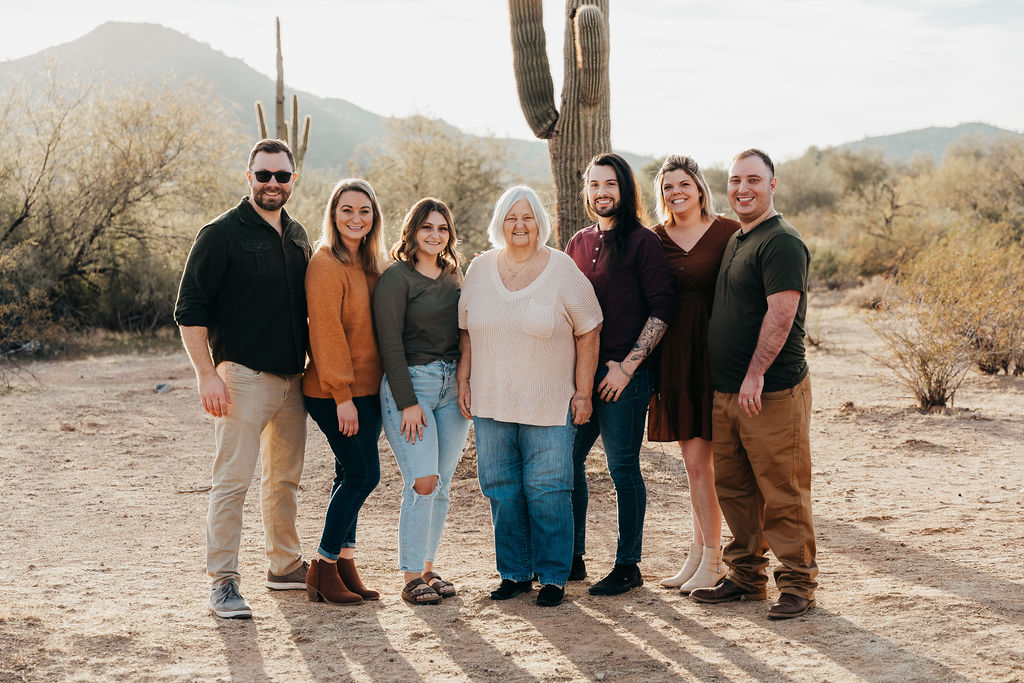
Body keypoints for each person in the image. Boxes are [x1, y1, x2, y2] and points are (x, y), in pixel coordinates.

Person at [175, 139, 311, 619]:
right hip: (241, 378)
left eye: (281, 176)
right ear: (248, 176)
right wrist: (206, 374)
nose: (272, 183)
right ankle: (224, 582)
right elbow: (189, 309)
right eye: (263, 175)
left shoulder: (297, 235)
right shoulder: (220, 234)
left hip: (293, 381)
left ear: (294, 179)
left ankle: (284, 565)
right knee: (231, 482)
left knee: (284, 480)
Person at [458, 185, 602, 607]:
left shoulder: (561, 269)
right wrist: (464, 381)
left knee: (549, 489)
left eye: (527, 217)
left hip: (549, 403)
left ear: (540, 222)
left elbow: (590, 329)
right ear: (499, 222)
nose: (519, 226)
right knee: (501, 488)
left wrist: (583, 392)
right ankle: (515, 573)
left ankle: (554, 576)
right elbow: (466, 333)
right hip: (491, 402)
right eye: (511, 218)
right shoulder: (480, 269)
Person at [689, 149, 817, 619]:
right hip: (729, 392)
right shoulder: (741, 238)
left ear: (773, 185)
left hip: (771, 390)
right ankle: (745, 577)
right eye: (736, 180)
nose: (743, 189)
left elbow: (782, 314)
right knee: (738, 490)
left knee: (783, 489)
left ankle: (798, 585)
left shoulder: (781, 241)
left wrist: (756, 373)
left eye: (754, 180)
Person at [565, 153, 675, 596]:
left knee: (622, 468)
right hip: (583, 376)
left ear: (624, 189)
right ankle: (571, 558)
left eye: (609, 184)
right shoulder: (577, 242)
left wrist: (628, 369)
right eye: (594, 185)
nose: (601, 193)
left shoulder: (642, 241)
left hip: (623, 378)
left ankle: (628, 565)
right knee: (566, 460)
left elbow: (663, 307)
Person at [646, 156, 739, 594]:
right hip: (676, 360)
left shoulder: (728, 232)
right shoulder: (656, 239)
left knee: (707, 467)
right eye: (667, 187)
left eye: (683, 184)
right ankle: (699, 554)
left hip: (716, 355)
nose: (675, 193)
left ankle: (714, 559)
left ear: (700, 188)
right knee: (694, 464)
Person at [374, 198, 471, 606]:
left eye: (443, 228)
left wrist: (465, 382)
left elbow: (467, 330)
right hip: (412, 386)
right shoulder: (396, 279)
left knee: (443, 483)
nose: (435, 235)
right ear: (412, 231)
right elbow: (389, 344)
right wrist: (407, 400)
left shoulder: (454, 276)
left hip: (452, 389)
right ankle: (411, 574)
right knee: (423, 481)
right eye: (427, 227)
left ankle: (429, 568)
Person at [302, 178, 388, 606]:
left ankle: (344, 563)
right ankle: (322, 564)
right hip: (333, 392)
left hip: (369, 391)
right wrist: (341, 396)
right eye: (347, 210)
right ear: (333, 215)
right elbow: (326, 332)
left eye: (365, 211)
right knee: (362, 475)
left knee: (345, 473)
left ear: (374, 218)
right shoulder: (325, 263)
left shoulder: (373, 264)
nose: (356, 219)